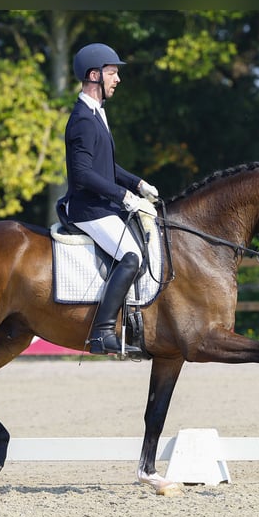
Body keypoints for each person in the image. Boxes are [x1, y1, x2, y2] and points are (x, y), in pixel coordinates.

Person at [60, 42, 159, 356]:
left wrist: (138, 183)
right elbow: (83, 174)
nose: (117, 79)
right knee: (131, 255)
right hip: (89, 210)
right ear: (94, 75)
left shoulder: (95, 114)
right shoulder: (82, 120)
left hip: (102, 206)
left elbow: (106, 166)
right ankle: (102, 332)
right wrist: (125, 197)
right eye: (112, 73)